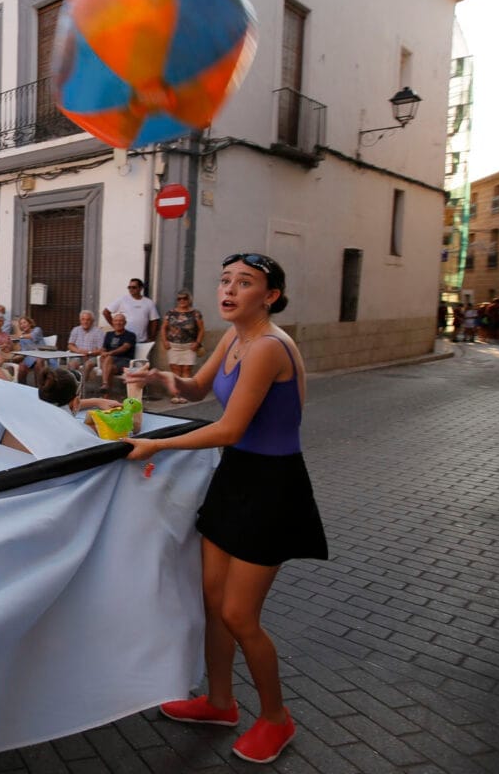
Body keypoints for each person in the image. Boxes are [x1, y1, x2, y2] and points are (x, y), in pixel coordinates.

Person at [122, 252, 327, 765]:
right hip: (235, 476)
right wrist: (158, 380)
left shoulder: (269, 348)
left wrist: (158, 446)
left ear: (271, 296)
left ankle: (276, 718)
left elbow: (231, 427)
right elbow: (195, 388)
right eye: (225, 281)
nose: (229, 290)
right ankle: (218, 702)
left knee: (240, 614)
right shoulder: (236, 338)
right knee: (213, 601)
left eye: (245, 283)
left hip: (273, 487)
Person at [162, 290, 205, 403]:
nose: (182, 301)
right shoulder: (170, 313)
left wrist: (197, 342)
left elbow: (201, 329)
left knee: (187, 369)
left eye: (184, 298)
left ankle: (185, 394)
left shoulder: (195, 313)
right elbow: (164, 328)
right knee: (175, 369)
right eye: (179, 299)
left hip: (189, 346)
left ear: (189, 299)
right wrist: (164, 341)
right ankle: (176, 394)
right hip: (173, 345)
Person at [103, 278, 160, 344]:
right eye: (129, 287)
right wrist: (115, 326)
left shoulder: (149, 302)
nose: (131, 289)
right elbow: (106, 312)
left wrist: (152, 337)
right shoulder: (122, 299)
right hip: (124, 340)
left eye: (134, 287)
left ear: (141, 288)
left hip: (142, 340)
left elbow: (154, 320)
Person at [99, 313, 137, 394]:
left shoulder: (130, 335)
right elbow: (104, 348)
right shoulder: (109, 334)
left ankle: (105, 386)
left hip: (125, 361)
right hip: (110, 363)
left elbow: (124, 348)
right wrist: (103, 353)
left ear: (125, 323)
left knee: (108, 359)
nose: (118, 323)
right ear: (112, 322)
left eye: (121, 321)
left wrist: (109, 353)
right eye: (116, 321)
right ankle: (106, 391)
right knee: (109, 367)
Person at [13, 315, 47, 385]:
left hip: (40, 354)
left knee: (39, 362)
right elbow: (24, 351)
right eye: (21, 324)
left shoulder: (37, 329)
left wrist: (20, 336)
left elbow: (33, 336)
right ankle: (22, 388)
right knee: (21, 366)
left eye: (24, 322)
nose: (23, 325)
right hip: (29, 357)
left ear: (30, 323)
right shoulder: (22, 339)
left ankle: (40, 387)